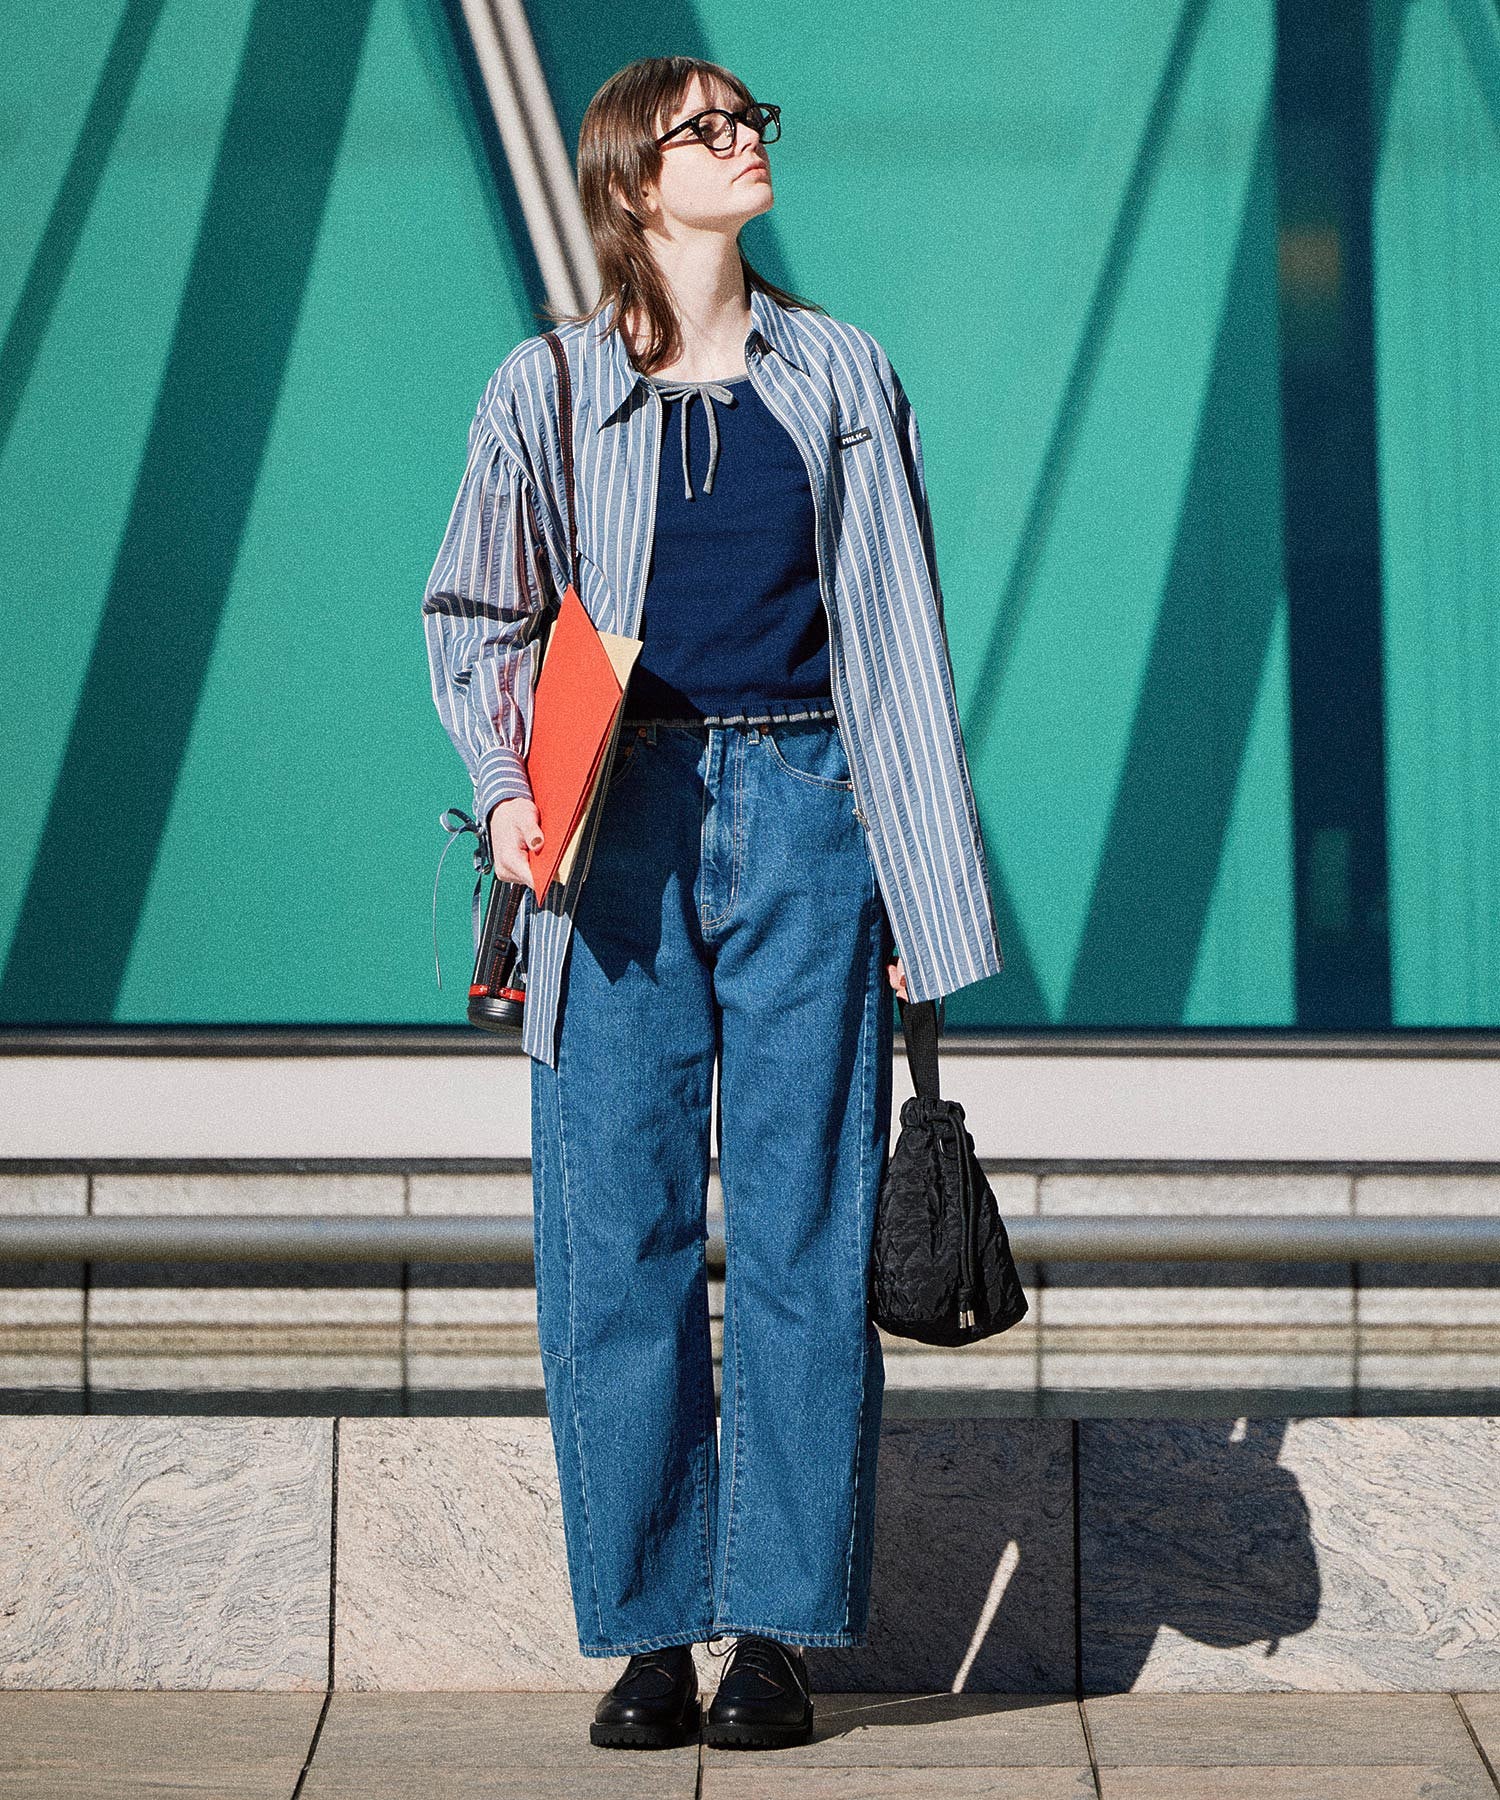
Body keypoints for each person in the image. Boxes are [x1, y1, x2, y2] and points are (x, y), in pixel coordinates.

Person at [421, 55, 1003, 1752]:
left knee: (809, 1230)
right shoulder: (543, 389)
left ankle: (778, 1632)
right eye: (706, 127)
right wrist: (515, 793)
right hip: (619, 833)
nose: (743, 141)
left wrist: (919, 883)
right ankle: (654, 1630)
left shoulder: (840, 376)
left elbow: (899, 651)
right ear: (629, 180)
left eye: (752, 120)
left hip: (814, 804)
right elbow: (475, 609)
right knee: (618, 1235)